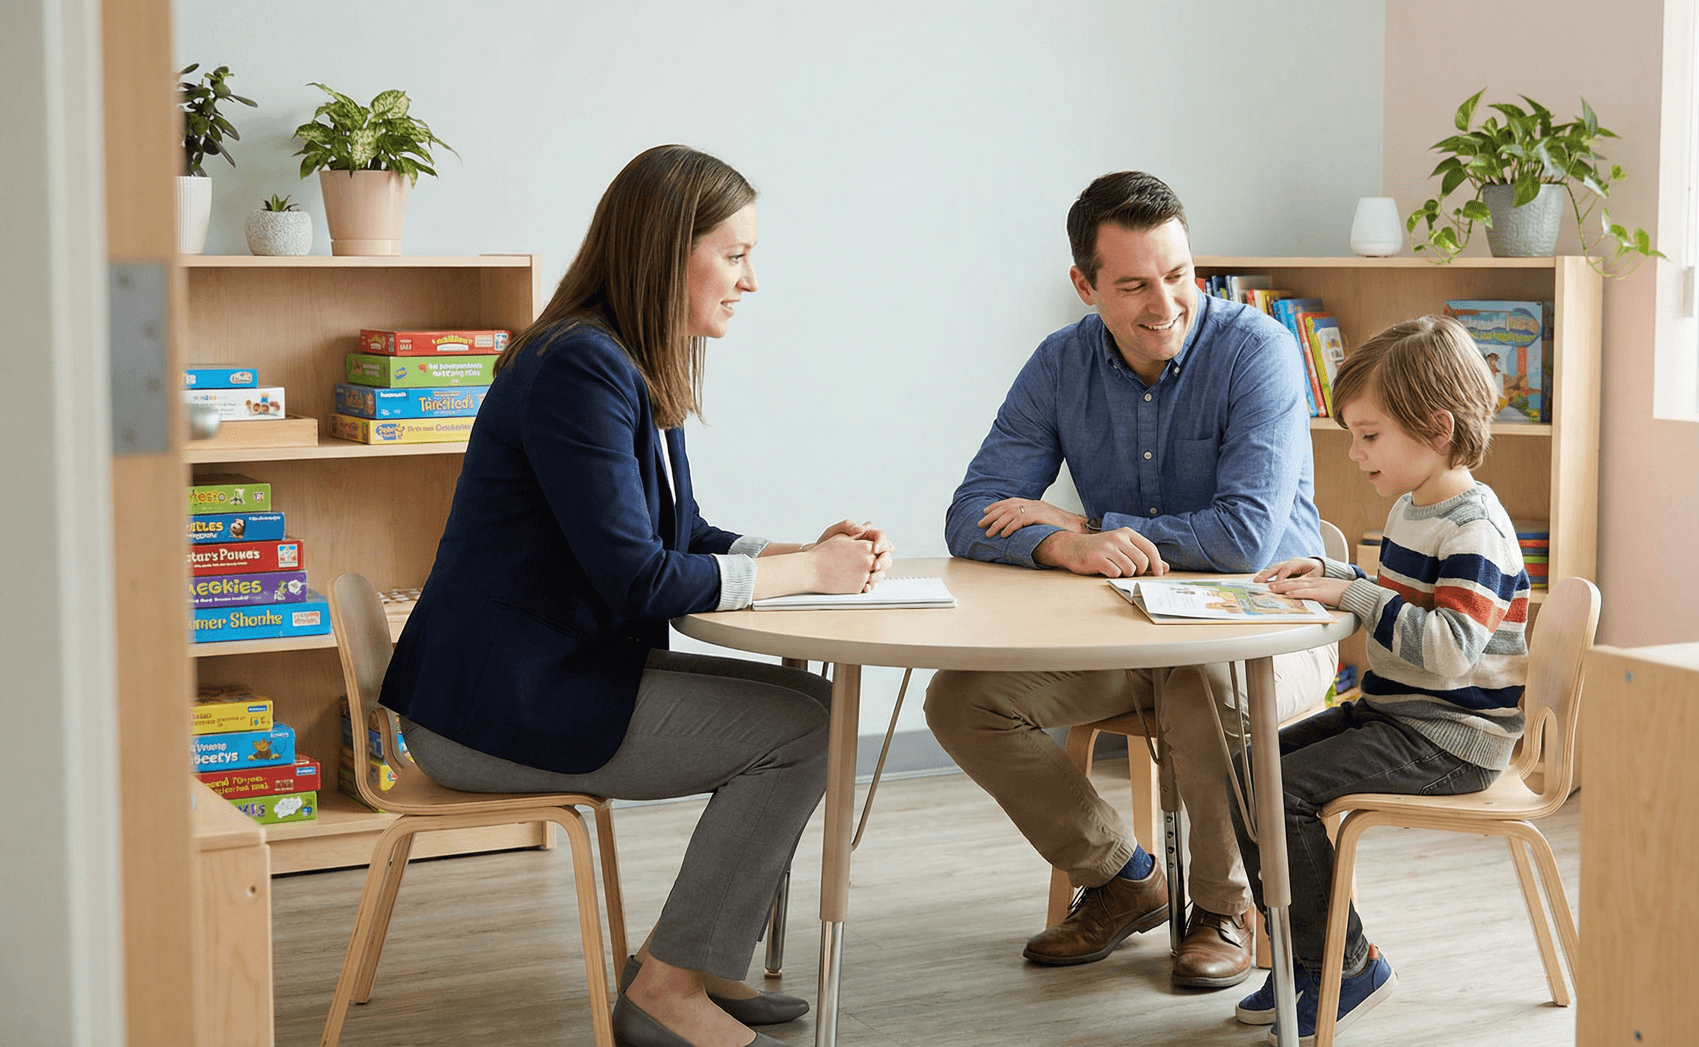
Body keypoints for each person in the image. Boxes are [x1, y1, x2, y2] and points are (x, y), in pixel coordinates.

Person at [379, 144, 892, 1047]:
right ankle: (666, 987)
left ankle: (692, 956)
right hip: (494, 711)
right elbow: (638, 575)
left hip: (532, 681)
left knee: (811, 707)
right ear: (667, 252)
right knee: (808, 731)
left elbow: (679, 528)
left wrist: (797, 550)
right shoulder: (579, 370)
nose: (751, 280)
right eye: (734, 255)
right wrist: (810, 576)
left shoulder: (623, 361)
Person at [925, 171, 1335, 992]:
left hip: (1264, 635)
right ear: (1085, 285)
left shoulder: (1260, 352)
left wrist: (1090, 522)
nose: (1166, 303)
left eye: (1180, 275)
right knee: (962, 700)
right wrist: (1059, 549)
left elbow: (1243, 536)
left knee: (1196, 684)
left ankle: (1223, 908)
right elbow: (971, 510)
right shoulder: (1060, 362)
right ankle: (1124, 875)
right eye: (1135, 285)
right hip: (1125, 631)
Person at [1233, 314, 1532, 1045]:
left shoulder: (1475, 529)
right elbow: (1402, 595)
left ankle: (1347, 962)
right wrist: (1338, 574)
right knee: (1250, 775)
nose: (1357, 452)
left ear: (1436, 428)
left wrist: (1356, 597)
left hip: (1452, 738)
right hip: (1397, 715)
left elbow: (1447, 647)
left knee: (1287, 791)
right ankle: (1309, 957)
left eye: (1370, 435)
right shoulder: (1413, 506)